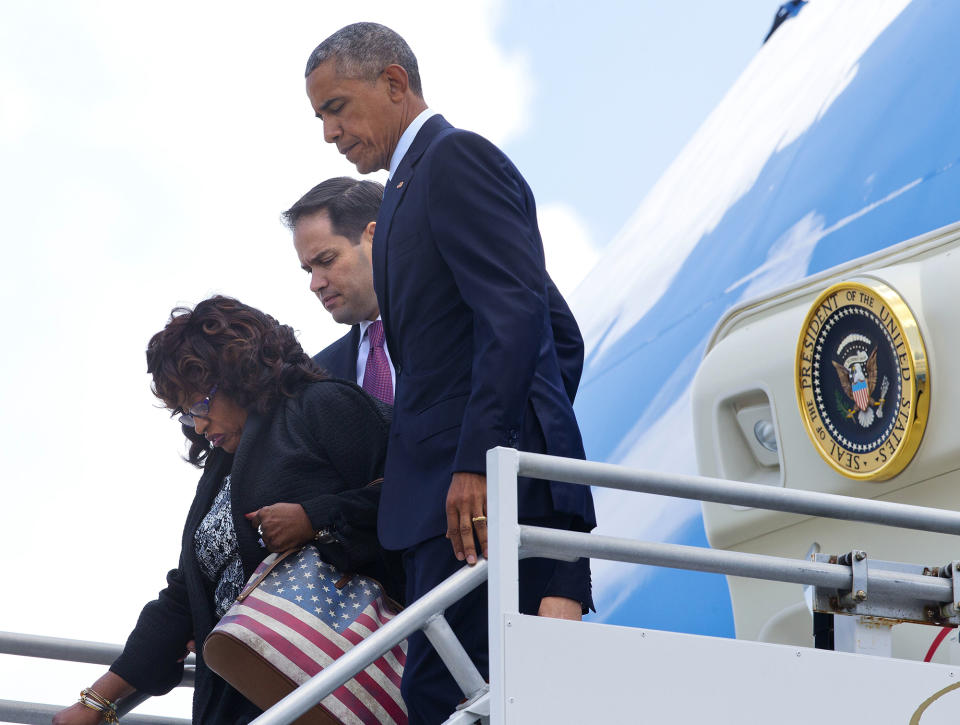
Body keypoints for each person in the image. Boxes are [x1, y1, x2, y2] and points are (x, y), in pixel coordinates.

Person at [302, 23, 597, 724]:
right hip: (449, 508)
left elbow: (520, 317)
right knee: (447, 693)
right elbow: (556, 335)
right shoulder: (405, 188)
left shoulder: (452, 159)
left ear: (395, 84)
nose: (329, 133)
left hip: (473, 502)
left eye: (337, 107)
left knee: (444, 697)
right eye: (320, 116)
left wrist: (486, 457)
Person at [53, 296, 395, 724]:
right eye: (184, 413)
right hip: (240, 697)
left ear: (237, 375)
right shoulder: (221, 466)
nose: (197, 424)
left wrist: (314, 517)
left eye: (200, 404)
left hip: (331, 686)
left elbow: (410, 497)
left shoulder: (322, 404)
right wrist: (95, 702)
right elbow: (186, 596)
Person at [282, 177, 395, 402]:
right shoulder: (316, 379)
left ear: (376, 237)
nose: (315, 285)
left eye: (326, 260)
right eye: (308, 270)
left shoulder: (462, 326)